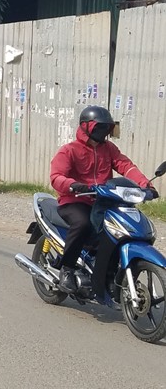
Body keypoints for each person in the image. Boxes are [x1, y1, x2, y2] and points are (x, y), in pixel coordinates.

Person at [50, 106, 155, 293]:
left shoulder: (109, 149)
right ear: (85, 127)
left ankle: (109, 272)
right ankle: (67, 269)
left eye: (106, 128)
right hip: (75, 200)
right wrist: (73, 185)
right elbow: (56, 176)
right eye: (99, 128)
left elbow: (126, 166)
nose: (103, 132)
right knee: (83, 224)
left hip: (105, 200)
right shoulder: (69, 150)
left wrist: (145, 184)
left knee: (122, 229)